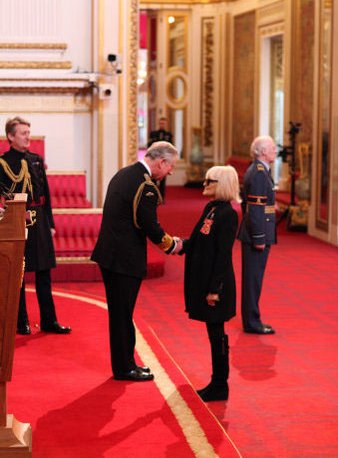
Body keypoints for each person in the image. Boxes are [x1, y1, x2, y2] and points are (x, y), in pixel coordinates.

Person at [91, 141, 182, 382]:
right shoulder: (145, 185)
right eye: (170, 166)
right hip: (124, 259)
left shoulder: (124, 173)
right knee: (122, 315)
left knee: (120, 314)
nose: (170, 172)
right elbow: (150, 225)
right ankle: (124, 368)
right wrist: (172, 245)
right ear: (161, 162)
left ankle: (126, 363)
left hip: (110, 254)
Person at [0, 117, 71, 335]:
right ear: (11, 137)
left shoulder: (36, 159)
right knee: (18, 275)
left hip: (39, 219)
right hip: (16, 218)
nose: (27, 136)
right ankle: (21, 322)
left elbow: (46, 195)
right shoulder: (2, 162)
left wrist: (50, 223)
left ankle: (49, 320)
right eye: (23, 133)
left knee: (44, 272)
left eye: (29, 132)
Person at [179, 166, 240, 401]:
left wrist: (215, 290)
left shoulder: (228, 214)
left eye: (209, 180)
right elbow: (195, 241)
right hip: (204, 281)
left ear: (222, 183)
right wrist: (174, 244)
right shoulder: (211, 208)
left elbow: (223, 255)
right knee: (213, 333)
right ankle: (216, 382)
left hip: (218, 285)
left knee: (217, 334)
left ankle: (220, 384)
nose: (204, 184)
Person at [238, 135, 277, 334]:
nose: (275, 150)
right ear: (262, 151)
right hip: (256, 236)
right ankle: (252, 322)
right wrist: (259, 237)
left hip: (254, 233)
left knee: (254, 280)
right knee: (252, 281)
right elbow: (254, 208)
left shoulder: (259, 170)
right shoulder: (259, 173)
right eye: (272, 147)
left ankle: (253, 319)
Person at [147, 117, 173, 202]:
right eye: (161, 123)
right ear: (159, 123)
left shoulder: (169, 135)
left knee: (163, 180)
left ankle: (162, 197)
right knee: (153, 179)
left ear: (166, 124)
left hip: (164, 161)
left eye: (163, 123)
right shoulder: (153, 134)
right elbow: (149, 146)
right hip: (155, 159)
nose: (162, 125)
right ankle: (154, 196)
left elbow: (170, 148)